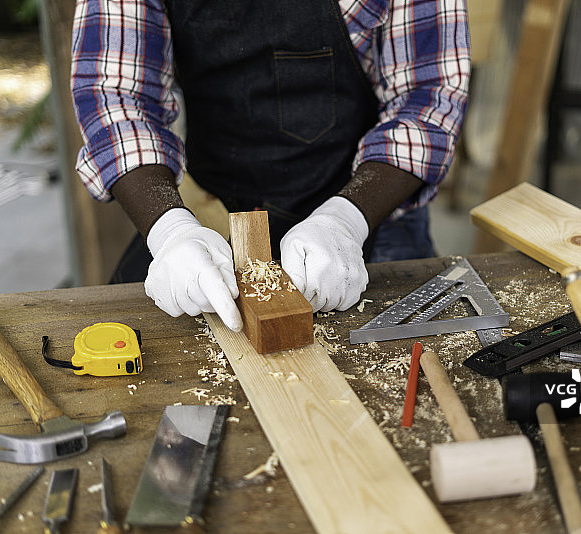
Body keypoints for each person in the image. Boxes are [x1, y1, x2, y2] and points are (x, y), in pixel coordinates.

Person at [71, 0, 470, 332]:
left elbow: (428, 98)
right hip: (210, 208)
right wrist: (170, 232)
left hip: (369, 206)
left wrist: (344, 222)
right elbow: (114, 95)